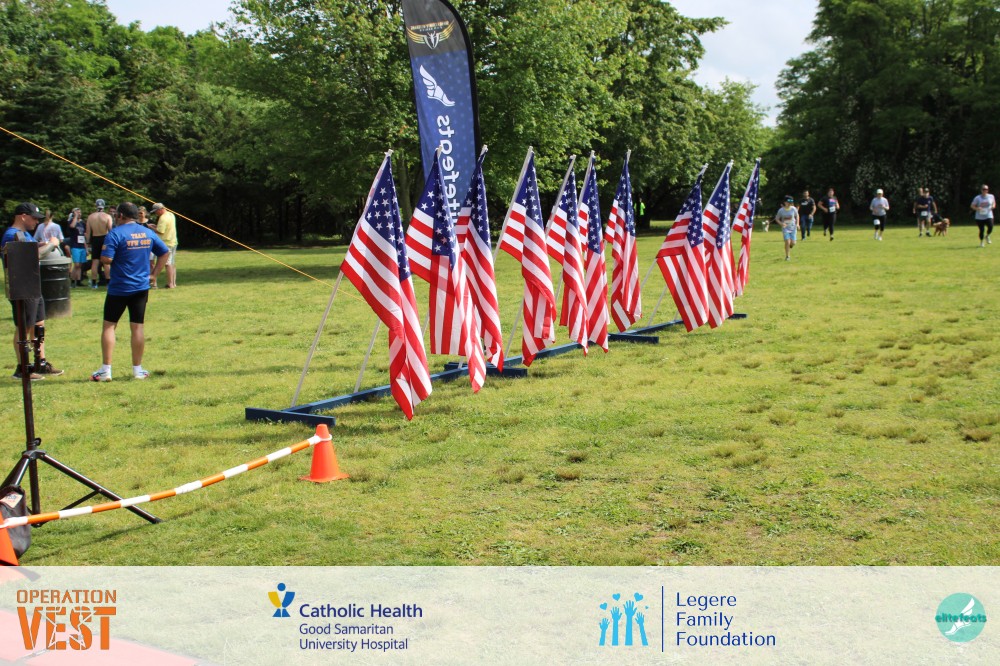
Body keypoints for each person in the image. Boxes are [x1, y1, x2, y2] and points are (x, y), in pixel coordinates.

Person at [91, 202, 168, 382]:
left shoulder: (115, 234)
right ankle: (138, 370)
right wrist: (154, 275)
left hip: (119, 287)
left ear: (120, 216)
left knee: (109, 326)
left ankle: (106, 370)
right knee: (137, 327)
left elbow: (106, 259)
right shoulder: (147, 232)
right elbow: (164, 253)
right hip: (141, 287)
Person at [2, 202, 64, 380]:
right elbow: (30, 256)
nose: (37, 222)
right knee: (24, 327)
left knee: (38, 324)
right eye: (34, 218)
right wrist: (51, 245)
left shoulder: (25, 234)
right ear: (23, 216)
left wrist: (40, 244)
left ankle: (40, 363)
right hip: (22, 287)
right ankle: (22, 368)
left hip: (32, 285)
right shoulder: (12, 235)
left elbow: (30, 248)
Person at [148, 203, 177, 288]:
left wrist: (150, 227)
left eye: (156, 211)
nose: (156, 213)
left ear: (160, 209)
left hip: (166, 242)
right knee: (172, 262)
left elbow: (161, 231)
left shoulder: (163, 218)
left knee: (167, 263)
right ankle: (173, 283)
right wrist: (155, 226)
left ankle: (170, 284)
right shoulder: (171, 214)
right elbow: (164, 228)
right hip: (173, 241)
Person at [85, 198, 113, 288]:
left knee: (95, 261)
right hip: (105, 238)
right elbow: (110, 230)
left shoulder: (90, 217)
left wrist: (87, 243)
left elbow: (88, 232)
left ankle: (94, 283)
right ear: (104, 206)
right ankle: (108, 282)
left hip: (95, 239)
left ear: (96, 206)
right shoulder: (107, 216)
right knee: (106, 262)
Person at [65, 208, 87, 286]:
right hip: (75, 245)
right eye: (77, 212)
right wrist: (75, 216)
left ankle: (78, 281)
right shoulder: (72, 221)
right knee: (76, 264)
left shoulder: (82, 223)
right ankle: (72, 280)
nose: (79, 214)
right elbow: (72, 226)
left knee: (80, 265)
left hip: (82, 246)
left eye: (80, 212)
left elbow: (84, 236)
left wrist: (86, 248)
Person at [774, 196, 800, 261]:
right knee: (787, 242)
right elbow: (777, 219)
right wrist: (781, 224)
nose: (789, 204)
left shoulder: (793, 209)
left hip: (793, 227)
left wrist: (797, 224)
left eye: (790, 202)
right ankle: (787, 256)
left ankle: (791, 245)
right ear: (785, 202)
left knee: (793, 243)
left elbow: (797, 216)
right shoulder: (781, 210)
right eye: (788, 202)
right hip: (785, 228)